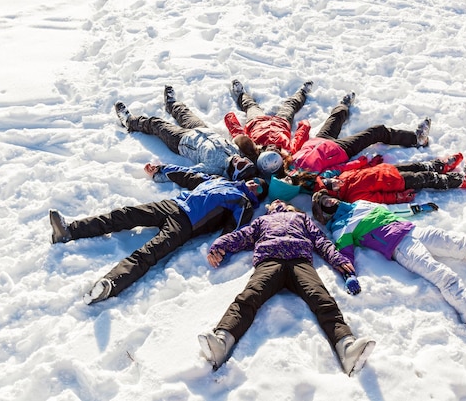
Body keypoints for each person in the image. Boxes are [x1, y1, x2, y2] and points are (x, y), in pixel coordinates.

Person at [311, 190, 466, 338]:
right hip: (400, 247)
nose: (328, 200)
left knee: (464, 244)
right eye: (323, 203)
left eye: (326, 197)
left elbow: (391, 210)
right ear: (324, 213)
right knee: (443, 275)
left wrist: (417, 209)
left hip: (414, 230)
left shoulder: (360, 204)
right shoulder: (340, 226)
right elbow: (344, 254)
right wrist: (349, 275)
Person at [198, 199, 376, 376]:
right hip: (269, 261)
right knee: (249, 296)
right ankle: (222, 341)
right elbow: (242, 236)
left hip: (300, 262)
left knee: (321, 297)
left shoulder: (301, 218)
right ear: (269, 209)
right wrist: (220, 244)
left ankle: (346, 346)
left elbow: (320, 240)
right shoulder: (262, 221)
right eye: (274, 203)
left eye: (280, 201)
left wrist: (336, 259)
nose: (277, 203)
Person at [49, 166, 269, 305]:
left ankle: (110, 284)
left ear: (259, 196)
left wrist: (221, 248)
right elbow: (189, 175)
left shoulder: (244, 204)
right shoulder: (218, 180)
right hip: (171, 205)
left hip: (186, 225)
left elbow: (233, 229)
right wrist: (161, 169)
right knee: (124, 215)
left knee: (149, 253)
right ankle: (69, 230)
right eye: (255, 181)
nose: (254, 185)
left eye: (259, 188)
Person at [228, 79, 432, 177]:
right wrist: (361, 162)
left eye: (274, 151)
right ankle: (416, 138)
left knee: (333, 116)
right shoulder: (297, 168)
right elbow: (336, 170)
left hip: (316, 138)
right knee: (376, 132)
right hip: (339, 149)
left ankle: (342, 104)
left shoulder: (286, 153)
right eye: (276, 154)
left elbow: (298, 140)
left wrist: (304, 128)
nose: (275, 149)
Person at [114, 85, 258, 181]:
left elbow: (186, 173)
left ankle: (129, 122)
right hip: (202, 129)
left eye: (240, 166)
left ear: (233, 172)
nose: (240, 160)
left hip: (181, 141)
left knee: (156, 124)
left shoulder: (214, 169)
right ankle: (171, 103)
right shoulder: (237, 153)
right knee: (184, 112)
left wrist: (159, 174)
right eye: (245, 161)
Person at [267, 152, 466, 203]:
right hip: (395, 182)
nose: (337, 181)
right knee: (424, 177)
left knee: (417, 165)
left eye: (333, 180)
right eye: (335, 185)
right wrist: (398, 198)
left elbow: (353, 171)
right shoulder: (354, 195)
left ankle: (441, 165)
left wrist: (370, 164)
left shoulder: (337, 178)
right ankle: (461, 181)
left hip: (386, 169)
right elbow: (379, 198)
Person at [224, 80, 313, 168]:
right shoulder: (288, 151)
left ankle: (241, 94)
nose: (273, 148)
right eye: (276, 151)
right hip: (281, 123)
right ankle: (302, 92)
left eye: (270, 150)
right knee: (290, 106)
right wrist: (305, 125)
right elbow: (299, 138)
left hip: (257, 121)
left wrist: (230, 120)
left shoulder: (252, 148)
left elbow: (239, 135)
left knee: (250, 105)